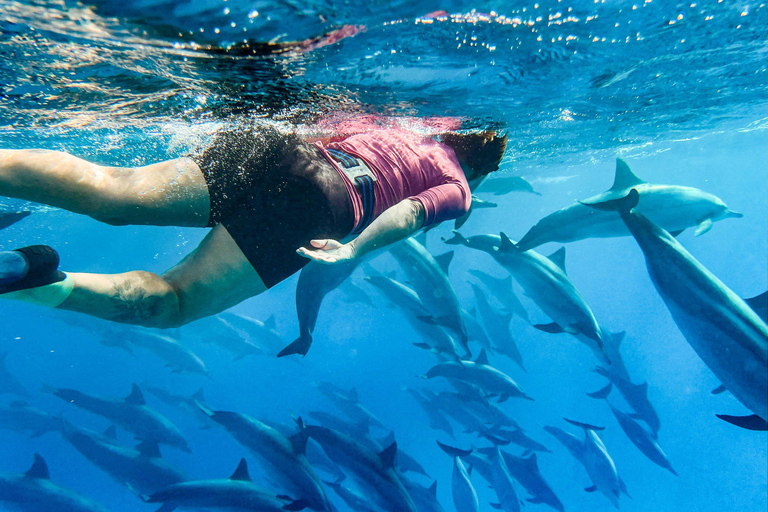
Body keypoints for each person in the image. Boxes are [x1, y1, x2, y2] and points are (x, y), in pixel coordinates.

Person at [0, 124, 507, 328]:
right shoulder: (459, 186)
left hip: (283, 151)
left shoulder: (398, 128)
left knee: (112, 191)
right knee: (174, 301)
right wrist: (353, 250)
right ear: (484, 167)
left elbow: (318, 129)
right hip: (321, 202)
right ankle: (26, 281)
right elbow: (412, 212)